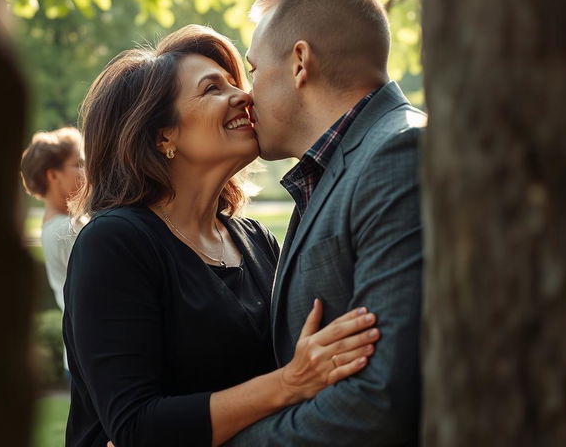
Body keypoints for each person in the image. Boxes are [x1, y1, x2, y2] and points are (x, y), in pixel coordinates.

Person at [63, 25, 380, 447]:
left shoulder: (255, 240)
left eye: (237, 82)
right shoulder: (115, 243)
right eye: (212, 89)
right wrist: (289, 382)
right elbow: (137, 428)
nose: (244, 96)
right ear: (163, 135)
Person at [228, 0, 425, 445]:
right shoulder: (332, 168)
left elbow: (381, 400)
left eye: (253, 71)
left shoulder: (398, 153)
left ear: (300, 62)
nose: (247, 96)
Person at [21, 127, 84, 378]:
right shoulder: (65, 231)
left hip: (79, 354)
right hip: (87, 357)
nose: (86, 171)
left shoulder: (63, 226)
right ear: (52, 175)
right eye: (78, 164)